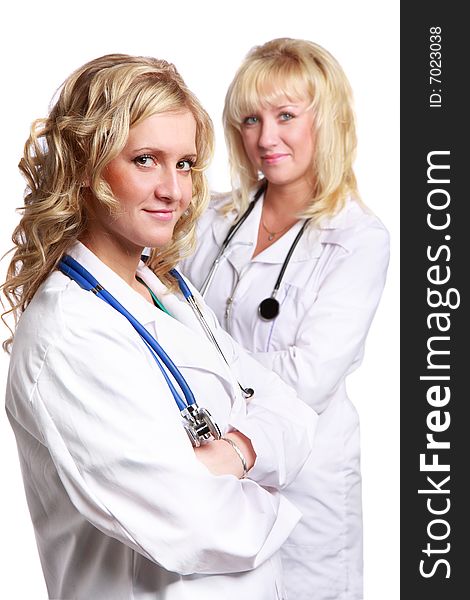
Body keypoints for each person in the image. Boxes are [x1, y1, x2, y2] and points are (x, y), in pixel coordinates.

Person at [1, 53, 318, 600]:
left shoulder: (173, 292)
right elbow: (197, 524)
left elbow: (293, 412)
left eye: (186, 163)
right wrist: (268, 471)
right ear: (86, 164)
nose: (175, 190)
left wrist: (235, 450)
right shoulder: (69, 334)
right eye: (146, 160)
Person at [181, 38, 390, 600]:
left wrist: (200, 370)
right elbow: (161, 318)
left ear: (328, 120)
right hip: (219, 468)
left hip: (306, 479)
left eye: (286, 116)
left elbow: (309, 377)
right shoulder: (211, 219)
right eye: (250, 119)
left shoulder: (357, 239)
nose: (265, 138)